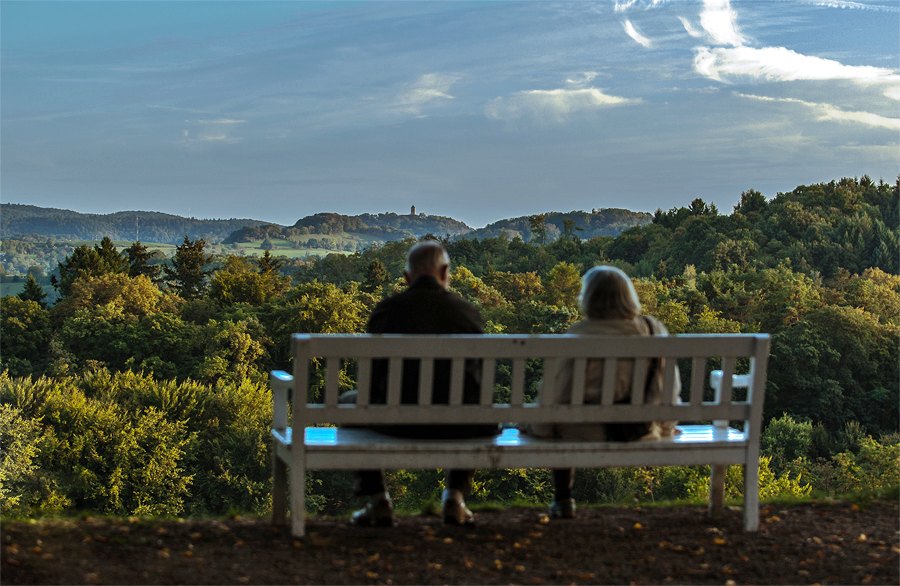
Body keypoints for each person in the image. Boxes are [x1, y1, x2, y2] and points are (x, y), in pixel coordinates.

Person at [348, 241, 499, 527]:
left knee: (348, 402)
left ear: (407, 278)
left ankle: (378, 500)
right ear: (445, 271)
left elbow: (371, 380)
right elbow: (475, 382)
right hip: (458, 425)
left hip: (394, 423)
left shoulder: (386, 312)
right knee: (476, 406)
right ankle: (454, 498)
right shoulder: (466, 313)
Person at [527, 265, 681, 519]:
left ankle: (563, 497)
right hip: (639, 431)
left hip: (581, 431)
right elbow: (666, 389)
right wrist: (663, 427)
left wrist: (538, 428)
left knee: (558, 427)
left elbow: (556, 394)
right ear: (629, 297)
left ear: (588, 299)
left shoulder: (577, 335)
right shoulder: (653, 330)